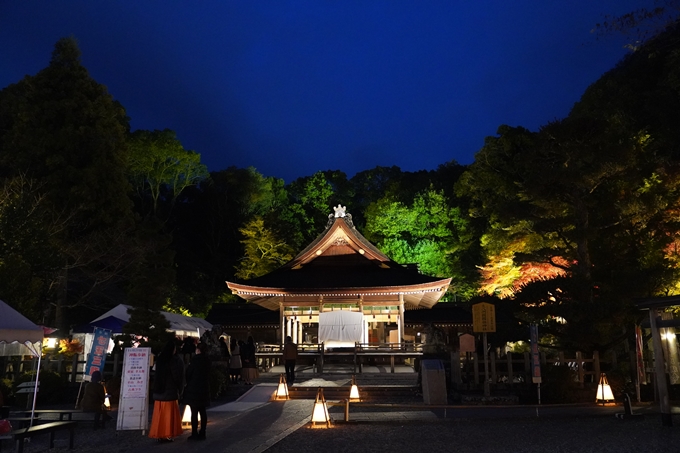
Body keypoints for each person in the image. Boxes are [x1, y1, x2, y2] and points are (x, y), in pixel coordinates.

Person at [149, 340, 185, 443]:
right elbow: (177, 376)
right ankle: (167, 434)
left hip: (159, 391)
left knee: (159, 415)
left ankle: (159, 434)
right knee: (168, 416)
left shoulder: (160, 359)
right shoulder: (174, 360)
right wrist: (180, 389)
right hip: (170, 391)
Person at [183, 342, 211, 441]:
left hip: (194, 388)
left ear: (198, 350)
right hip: (204, 387)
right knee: (203, 411)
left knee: (194, 412)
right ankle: (203, 432)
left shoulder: (194, 360)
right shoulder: (207, 361)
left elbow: (188, 373)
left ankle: (194, 433)